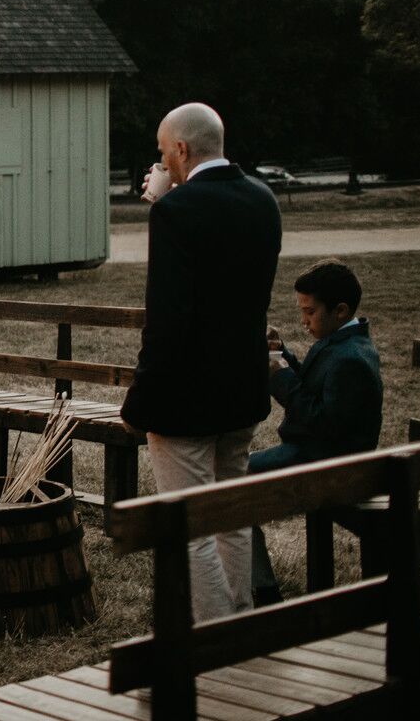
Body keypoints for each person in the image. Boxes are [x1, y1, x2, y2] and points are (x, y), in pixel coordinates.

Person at [120, 102, 281, 621]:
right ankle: (243, 614)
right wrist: (174, 199)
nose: (162, 161)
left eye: (165, 153)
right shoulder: (263, 199)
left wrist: (139, 401)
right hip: (243, 387)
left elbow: (168, 320)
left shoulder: (175, 212)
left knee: (188, 525)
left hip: (185, 398)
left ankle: (213, 637)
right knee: (232, 514)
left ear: (182, 150)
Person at [251, 259, 382, 605]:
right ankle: (255, 584)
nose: (303, 321)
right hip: (313, 455)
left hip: (324, 463)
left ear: (339, 310)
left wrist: (279, 376)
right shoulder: (341, 343)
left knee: (227, 483)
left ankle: (261, 591)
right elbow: (313, 387)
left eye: (309, 312)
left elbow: (322, 422)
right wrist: (282, 354)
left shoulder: (351, 359)